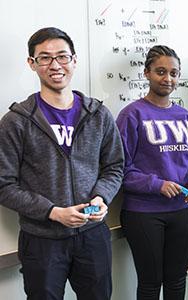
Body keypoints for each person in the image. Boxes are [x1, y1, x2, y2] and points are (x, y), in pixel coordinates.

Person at [0, 27, 124, 299]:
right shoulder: (16, 121)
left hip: (92, 235)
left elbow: (115, 166)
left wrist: (102, 197)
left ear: (75, 60)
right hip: (41, 240)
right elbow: (3, 185)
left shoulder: (99, 115)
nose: (55, 65)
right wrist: (52, 212)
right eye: (44, 58)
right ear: (32, 64)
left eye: (62, 57)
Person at [116, 45, 188, 299]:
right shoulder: (131, 115)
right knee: (150, 282)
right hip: (144, 213)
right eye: (160, 71)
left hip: (182, 211)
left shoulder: (185, 117)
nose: (168, 78)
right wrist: (157, 184)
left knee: (177, 280)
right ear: (146, 73)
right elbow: (119, 169)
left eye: (174, 73)